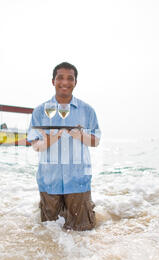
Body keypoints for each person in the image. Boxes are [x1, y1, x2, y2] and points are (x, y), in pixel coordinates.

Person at [27, 62, 101, 231]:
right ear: (53, 81)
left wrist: (81, 135)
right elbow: (35, 146)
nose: (65, 82)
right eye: (60, 78)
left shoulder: (87, 110)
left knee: (83, 233)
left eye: (70, 78)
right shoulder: (39, 111)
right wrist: (48, 141)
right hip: (49, 181)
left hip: (78, 181)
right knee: (50, 235)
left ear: (75, 82)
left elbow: (96, 141)